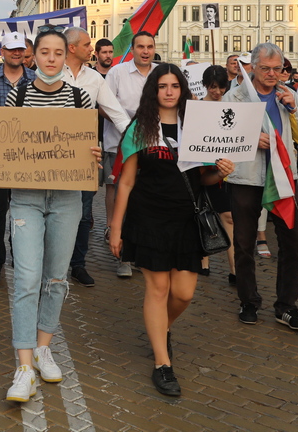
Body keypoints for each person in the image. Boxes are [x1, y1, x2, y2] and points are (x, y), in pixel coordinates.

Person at [0, 28, 100, 404]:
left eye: (58, 53)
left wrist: (93, 155)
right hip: (26, 198)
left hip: (66, 200)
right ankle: (24, 366)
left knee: (57, 278)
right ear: (34, 56)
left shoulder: (80, 98)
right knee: (27, 278)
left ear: (67, 56)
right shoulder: (19, 94)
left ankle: (45, 347)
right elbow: (0, 145)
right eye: (44, 52)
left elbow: (90, 147)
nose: (51, 59)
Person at [108, 63, 234, 396]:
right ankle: (162, 366)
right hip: (148, 219)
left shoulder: (195, 127)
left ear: (182, 90)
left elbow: (203, 179)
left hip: (186, 220)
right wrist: (116, 228)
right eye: (162, 86)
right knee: (158, 288)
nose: (168, 91)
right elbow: (126, 182)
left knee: (184, 293)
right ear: (153, 90)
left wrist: (220, 172)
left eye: (174, 86)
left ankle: (160, 330)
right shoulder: (140, 128)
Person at [223, 43, 298, 329]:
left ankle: (286, 306)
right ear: (252, 67)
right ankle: (248, 301)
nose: (273, 74)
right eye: (266, 68)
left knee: (292, 241)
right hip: (247, 178)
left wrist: (294, 109)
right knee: (244, 242)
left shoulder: (289, 95)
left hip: (284, 177)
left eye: (278, 69)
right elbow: (223, 138)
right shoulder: (235, 97)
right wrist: (250, 138)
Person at [61, 27, 128, 287]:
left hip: (86, 156)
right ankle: (53, 265)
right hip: (54, 157)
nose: (92, 48)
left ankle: (78, 264)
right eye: (87, 44)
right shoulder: (49, 74)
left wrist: (138, 140)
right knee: (57, 212)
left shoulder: (95, 79)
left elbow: (117, 113)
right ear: (72, 48)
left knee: (84, 213)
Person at [0, 34, 35, 289]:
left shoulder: (35, 79)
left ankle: (22, 261)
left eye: (20, 49)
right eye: (12, 49)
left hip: (28, 159)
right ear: (2, 51)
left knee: (25, 212)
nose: (16, 53)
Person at [102, 30, 158, 279]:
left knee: (145, 200)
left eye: (149, 46)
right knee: (120, 197)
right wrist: (126, 125)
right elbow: (103, 104)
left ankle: (140, 251)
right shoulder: (117, 73)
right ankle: (122, 255)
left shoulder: (161, 73)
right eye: (140, 46)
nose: (145, 51)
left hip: (153, 148)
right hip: (121, 145)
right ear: (132, 49)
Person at [199, 65, 237, 284]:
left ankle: (234, 270)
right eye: (213, 87)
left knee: (228, 217)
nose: (217, 92)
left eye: (221, 87)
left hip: (225, 170)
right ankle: (204, 259)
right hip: (203, 169)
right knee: (202, 213)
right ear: (206, 86)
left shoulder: (231, 107)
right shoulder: (195, 107)